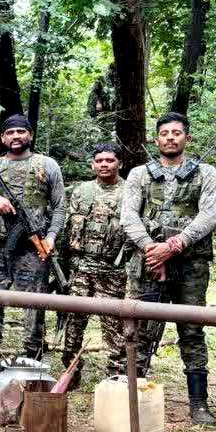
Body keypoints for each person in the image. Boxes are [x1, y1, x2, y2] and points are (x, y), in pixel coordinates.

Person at [120, 112, 216, 425]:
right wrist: (152, 248)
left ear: (187, 138)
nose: (170, 138)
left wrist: (174, 245)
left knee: (192, 330)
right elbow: (129, 216)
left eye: (177, 133)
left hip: (191, 266)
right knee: (140, 328)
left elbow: (209, 216)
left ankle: (199, 403)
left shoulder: (206, 173)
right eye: (165, 133)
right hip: (148, 263)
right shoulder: (139, 174)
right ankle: (130, 398)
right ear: (156, 139)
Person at [0, 114, 66, 380]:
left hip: (33, 247)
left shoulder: (47, 165)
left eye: (21, 131)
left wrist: (51, 237)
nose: (16, 136)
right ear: (2, 138)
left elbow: (59, 207)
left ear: (30, 135)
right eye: (10, 133)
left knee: (34, 302)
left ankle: (32, 356)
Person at [58, 143, 128, 389]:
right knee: (73, 324)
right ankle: (70, 373)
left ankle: (116, 378)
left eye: (109, 160)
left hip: (112, 272)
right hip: (80, 269)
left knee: (113, 327)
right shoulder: (82, 191)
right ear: (92, 164)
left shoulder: (130, 192)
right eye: (99, 161)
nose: (104, 165)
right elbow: (69, 229)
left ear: (119, 163)